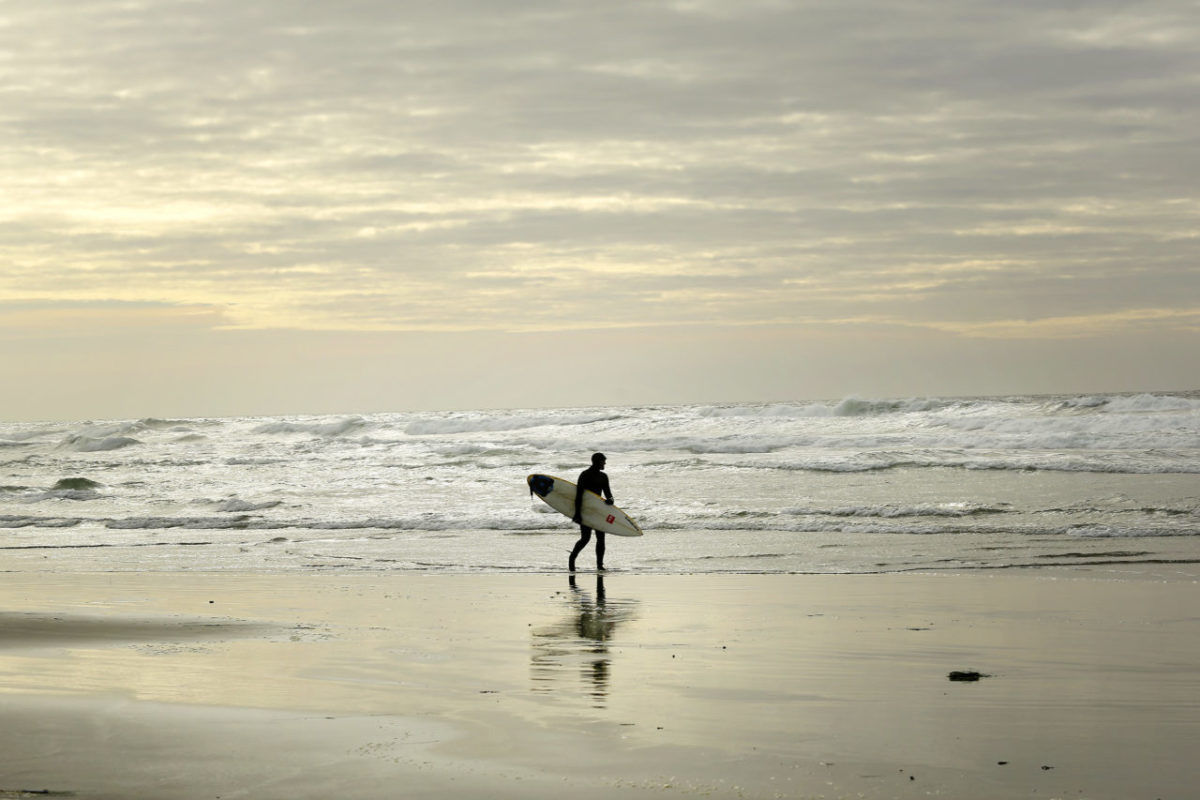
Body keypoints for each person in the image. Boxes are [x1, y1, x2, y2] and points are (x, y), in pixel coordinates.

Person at [569, 452, 614, 572]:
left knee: (601, 538)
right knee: (585, 538)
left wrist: (610, 500)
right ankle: (572, 558)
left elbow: (608, 494)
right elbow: (579, 495)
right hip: (586, 511)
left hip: (598, 511)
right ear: (598, 462)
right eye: (603, 461)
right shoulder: (585, 475)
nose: (605, 463)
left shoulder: (603, 477)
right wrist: (577, 513)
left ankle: (600, 565)